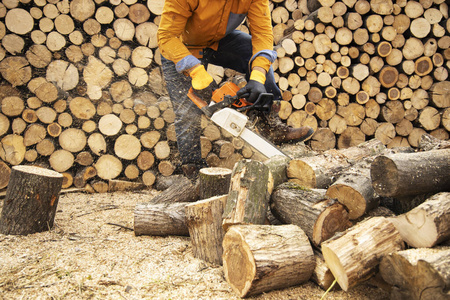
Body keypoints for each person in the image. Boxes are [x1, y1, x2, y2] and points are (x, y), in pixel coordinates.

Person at [157, 0, 314, 178]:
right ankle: (192, 168)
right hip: (179, 46)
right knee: (186, 111)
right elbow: (166, 36)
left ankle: (270, 124)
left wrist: (257, 78)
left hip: (217, 41)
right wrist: (195, 71)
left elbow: (262, 36)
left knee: (252, 50)